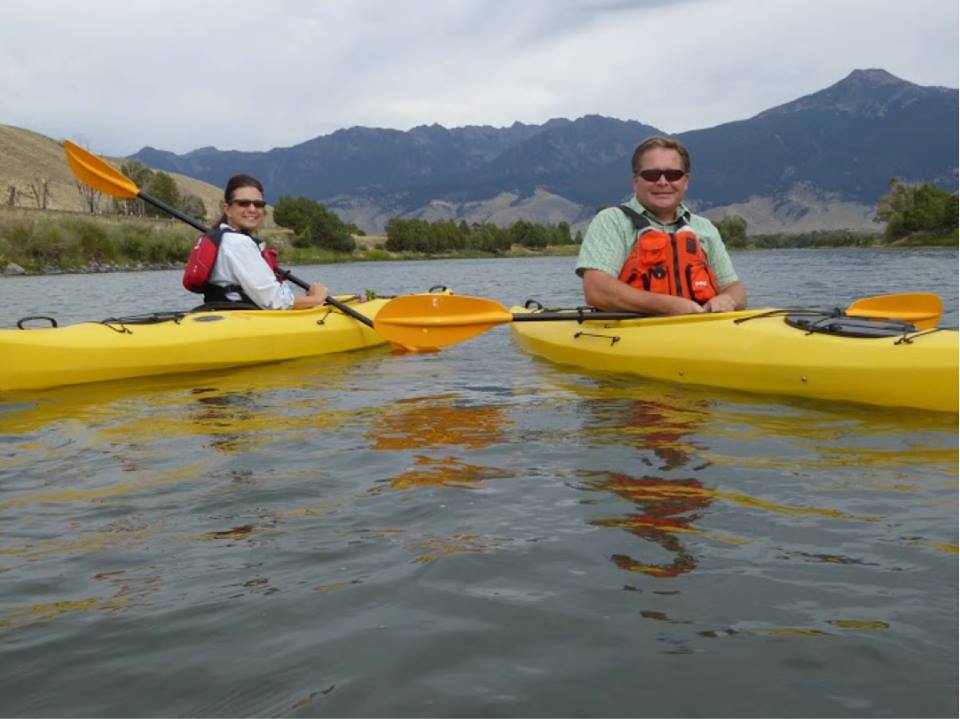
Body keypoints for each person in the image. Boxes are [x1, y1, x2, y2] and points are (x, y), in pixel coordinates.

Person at [576, 136, 747, 315]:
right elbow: (597, 290)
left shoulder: (705, 228)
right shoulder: (611, 221)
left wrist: (728, 299)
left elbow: (735, 289)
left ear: (685, 181)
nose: (663, 182)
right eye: (652, 175)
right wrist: (670, 306)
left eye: (673, 175)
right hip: (630, 336)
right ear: (636, 182)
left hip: (702, 331)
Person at [188, 174, 329, 309]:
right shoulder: (238, 243)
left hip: (229, 313)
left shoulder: (224, 238)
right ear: (227, 209)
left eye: (258, 204)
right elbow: (274, 302)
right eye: (243, 203)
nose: (252, 209)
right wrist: (316, 299)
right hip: (243, 321)